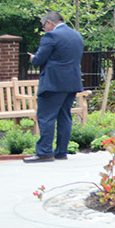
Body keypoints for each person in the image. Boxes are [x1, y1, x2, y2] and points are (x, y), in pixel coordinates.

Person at [26, 10, 83, 163]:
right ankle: (61, 152)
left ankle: (44, 152)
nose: (44, 29)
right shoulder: (76, 35)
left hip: (53, 84)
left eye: (44, 25)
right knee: (65, 116)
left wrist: (33, 58)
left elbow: (39, 60)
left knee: (46, 117)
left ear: (49, 23)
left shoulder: (50, 36)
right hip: (72, 83)